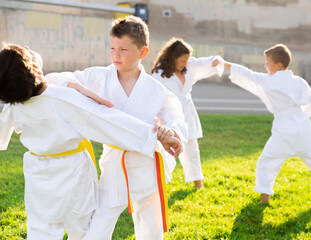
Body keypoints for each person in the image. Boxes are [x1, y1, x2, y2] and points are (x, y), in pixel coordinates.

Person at [0, 43, 182, 240]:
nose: (29, 47)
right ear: (35, 70)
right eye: (28, 51)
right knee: (82, 233)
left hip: (39, 180)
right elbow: (109, 121)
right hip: (73, 179)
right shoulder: (65, 99)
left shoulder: (15, 105)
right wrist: (152, 136)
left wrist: (70, 84)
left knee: (40, 232)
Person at [46, 16, 188, 240]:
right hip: (114, 165)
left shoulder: (155, 89)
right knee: (100, 223)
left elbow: (176, 116)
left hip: (146, 165)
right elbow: (54, 80)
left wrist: (171, 132)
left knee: (151, 228)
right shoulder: (98, 77)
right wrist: (77, 87)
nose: (115, 54)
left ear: (143, 52)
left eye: (123, 49)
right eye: (112, 47)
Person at [221, 43, 311, 204]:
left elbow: (248, 75)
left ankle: (264, 198)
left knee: (267, 162)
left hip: (283, 129)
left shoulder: (269, 81)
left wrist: (224, 63)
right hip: (303, 125)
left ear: (278, 65)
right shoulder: (298, 81)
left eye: (267, 63)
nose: (265, 66)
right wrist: (304, 114)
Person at [151, 37, 223, 189]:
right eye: (182, 60)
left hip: (187, 112)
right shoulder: (159, 74)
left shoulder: (188, 66)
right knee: (166, 148)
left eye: (187, 60)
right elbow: (153, 96)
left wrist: (214, 61)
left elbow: (204, 62)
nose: (186, 63)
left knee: (191, 146)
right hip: (168, 115)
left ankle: (198, 182)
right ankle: (158, 182)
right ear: (172, 59)